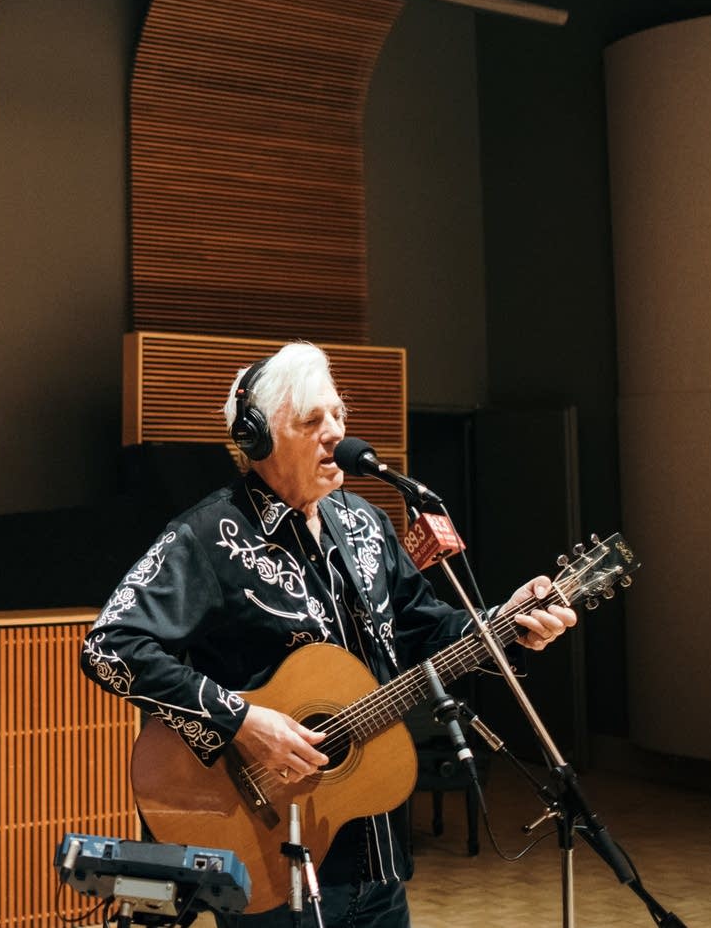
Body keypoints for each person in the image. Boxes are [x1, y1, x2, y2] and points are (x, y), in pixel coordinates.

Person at [79, 341, 577, 927]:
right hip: (268, 854)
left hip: (379, 851)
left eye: (339, 414)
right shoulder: (209, 536)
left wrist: (504, 625)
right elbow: (108, 645)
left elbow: (426, 629)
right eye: (313, 420)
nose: (336, 433)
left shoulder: (364, 523)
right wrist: (244, 722)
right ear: (259, 440)